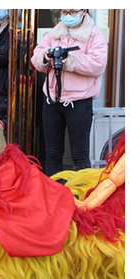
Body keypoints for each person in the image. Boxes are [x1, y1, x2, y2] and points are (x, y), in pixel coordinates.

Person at [32, 9, 107, 176]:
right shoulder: (55, 32)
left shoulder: (94, 34)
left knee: (80, 156)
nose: (67, 15)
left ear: (83, 11)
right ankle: (53, 195)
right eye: (64, 11)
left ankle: (85, 197)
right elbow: (36, 57)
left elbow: (98, 65)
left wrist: (70, 60)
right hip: (52, 100)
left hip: (79, 102)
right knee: (52, 153)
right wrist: (45, 56)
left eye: (72, 11)